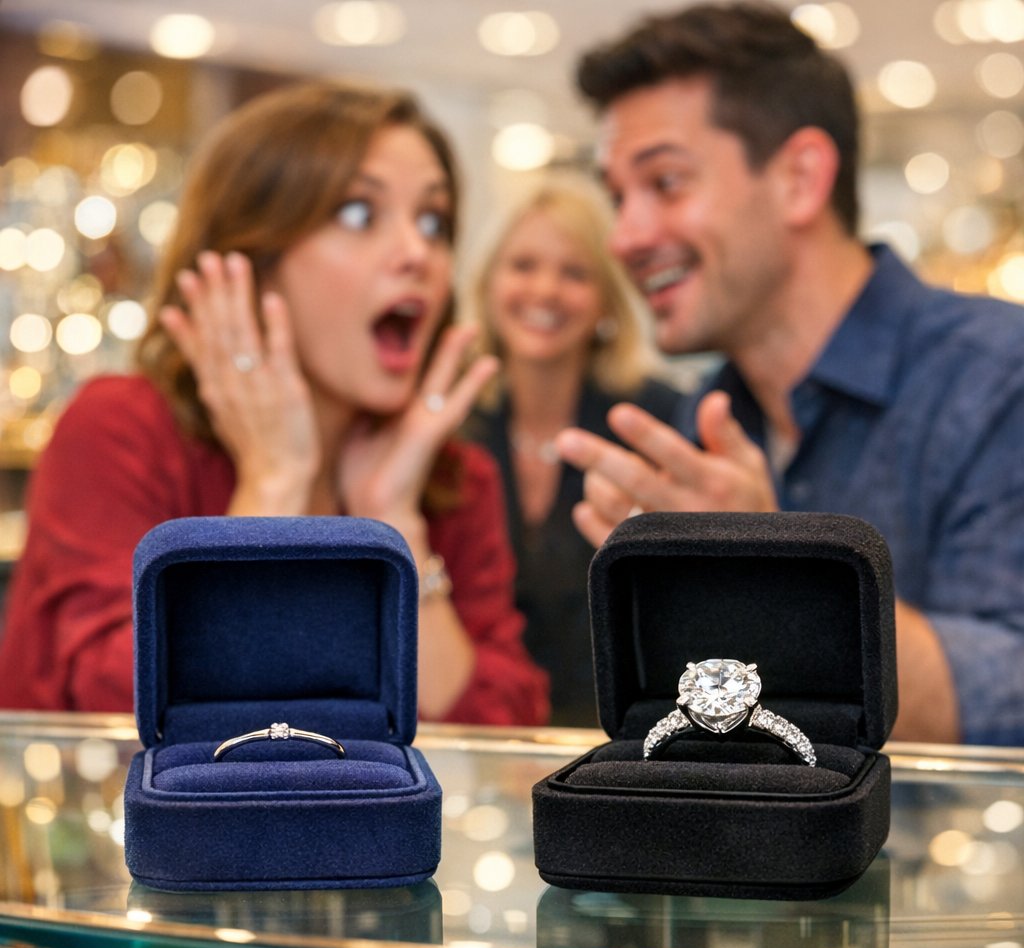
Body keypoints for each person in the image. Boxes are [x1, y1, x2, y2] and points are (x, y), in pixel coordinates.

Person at [0, 80, 548, 725]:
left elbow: (501, 741)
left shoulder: (451, 477)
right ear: (250, 261)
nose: (418, 254)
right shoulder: (122, 429)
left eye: (433, 221)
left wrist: (394, 520)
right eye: (359, 214)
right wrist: (272, 483)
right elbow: (107, 704)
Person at [555, 2, 1024, 746]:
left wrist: (776, 571)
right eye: (618, 197)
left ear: (801, 178)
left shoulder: (1000, 375)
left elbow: (1012, 690)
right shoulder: (704, 420)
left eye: (666, 183)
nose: (626, 237)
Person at [463, 177, 682, 725]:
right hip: (476, 735)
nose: (545, 290)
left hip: (619, 739)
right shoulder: (448, 423)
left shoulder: (655, 422)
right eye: (523, 266)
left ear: (608, 298)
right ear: (488, 284)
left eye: (574, 273)